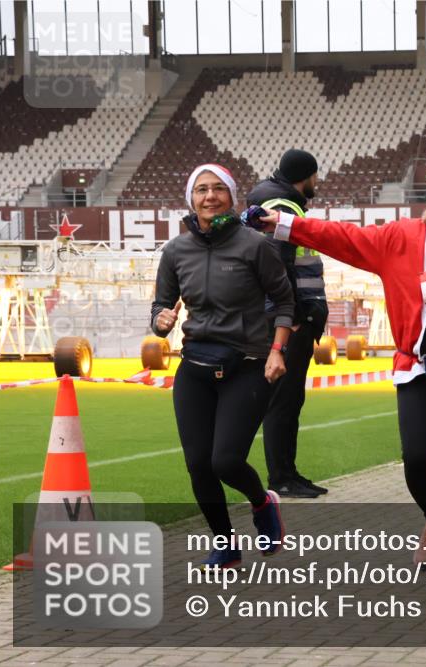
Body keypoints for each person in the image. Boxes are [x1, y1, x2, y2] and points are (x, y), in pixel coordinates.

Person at [248, 160, 426, 571]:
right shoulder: (400, 239)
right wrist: (283, 224)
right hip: (416, 365)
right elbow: (343, 236)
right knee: (417, 456)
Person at [151, 164, 294, 569]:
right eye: (201, 190)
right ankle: (226, 543)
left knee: (225, 461)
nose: (209, 196)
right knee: (198, 464)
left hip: (248, 365)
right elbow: (161, 305)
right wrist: (161, 320)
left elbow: (284, 302)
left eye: (218, 189)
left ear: (232, 197)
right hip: (195, 367)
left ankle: (262, 501)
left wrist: (277, 349)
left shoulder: (255, 246)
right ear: (190, 199)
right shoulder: (176, 251)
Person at [248, 149, 328, 499]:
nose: (317, 182)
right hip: (289, 320)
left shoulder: (274, 200)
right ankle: (281, 477)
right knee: (283, 400)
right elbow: (279, 267)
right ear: (305, 176)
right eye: (315, 175)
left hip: (286, 317)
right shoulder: (285, 207)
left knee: (288, 399)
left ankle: (287, 473)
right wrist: (292, 318)